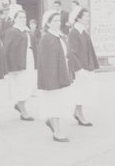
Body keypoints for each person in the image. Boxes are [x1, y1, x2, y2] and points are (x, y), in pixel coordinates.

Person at [38, 10, 77, 142]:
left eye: (59, 20)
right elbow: (46, 63)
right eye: (54, 21)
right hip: (53, 77)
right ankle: (57, 132)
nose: (58, 23)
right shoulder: (47, 38)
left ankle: (53, 123)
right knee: (54, 103)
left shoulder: (59, 36)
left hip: (62, 73)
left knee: (60, 103)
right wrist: (51, 81)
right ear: (48, 23)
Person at [3, 8, 36, 121]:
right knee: (21, 86)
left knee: (29, 84)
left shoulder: (26, 30)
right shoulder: (12, 31)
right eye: (20, 17)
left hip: (29, 58)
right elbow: (8, 49)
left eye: (24, 17)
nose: (23, 19)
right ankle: (23, 111)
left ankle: (20, 105)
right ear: (15, 19)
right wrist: (12, 66)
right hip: (18, 61)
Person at [68, 7, 99, 127]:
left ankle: (76, 112)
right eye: (86, 16)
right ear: (79, 18)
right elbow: (72, 52)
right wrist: (79, 69)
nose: (88, 18)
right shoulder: (74, 32)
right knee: (80, 92)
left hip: (86, 65)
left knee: (83, 91)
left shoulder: (83, 31)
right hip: (79, 68)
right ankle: (80, 116)